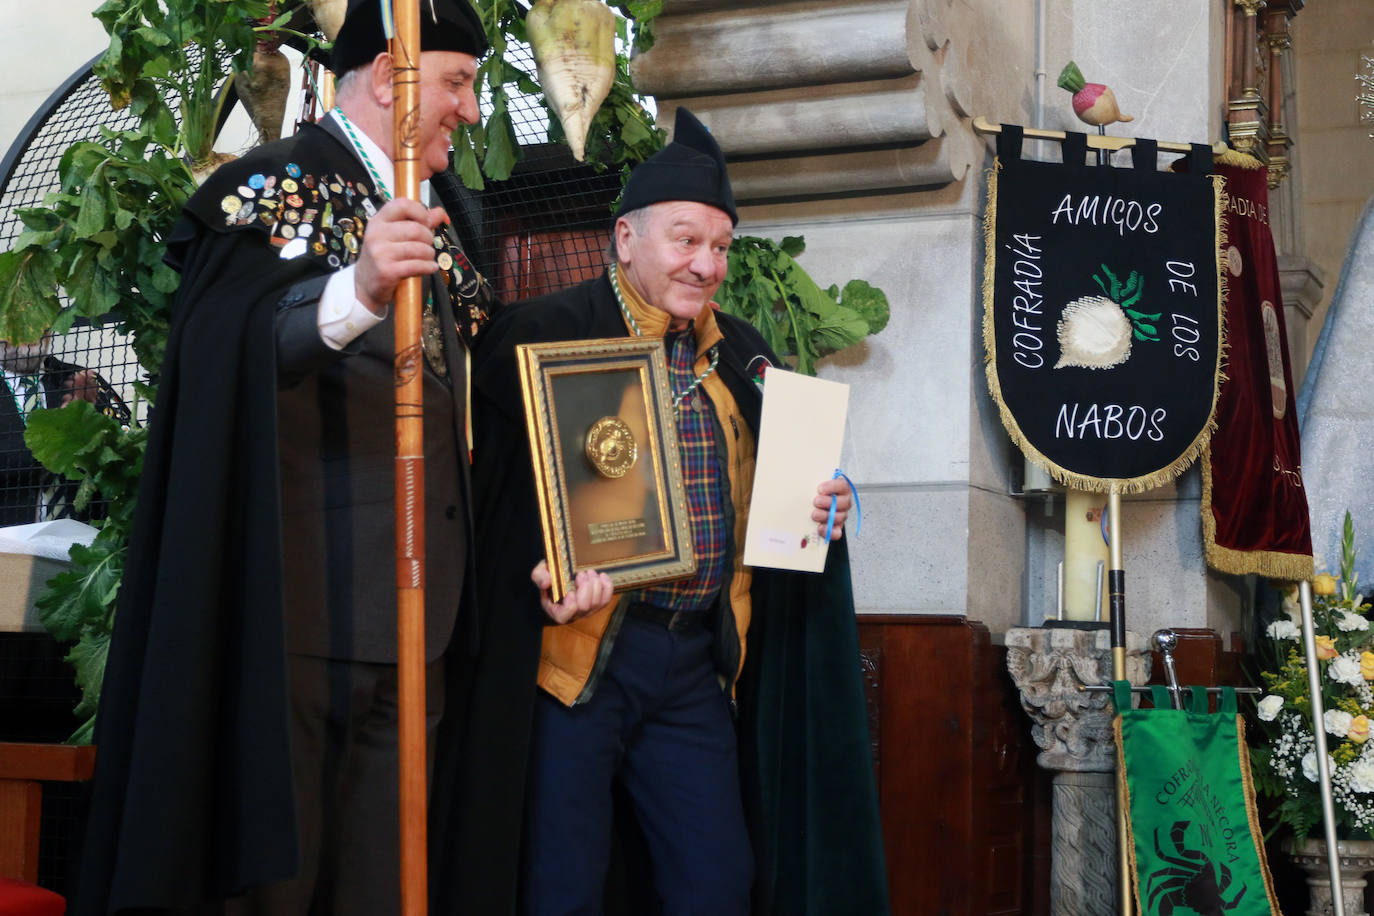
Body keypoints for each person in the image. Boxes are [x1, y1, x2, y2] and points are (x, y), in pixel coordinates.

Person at [75, 1, 508, 913]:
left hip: (424, 619)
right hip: (301, 621)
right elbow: (230, 349)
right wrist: (355, 289)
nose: (471, 110)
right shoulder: (273, 183)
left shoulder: (449, 218)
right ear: (392, 80)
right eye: (457, 84)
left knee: (385, 888)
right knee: (284, 885)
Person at [473, 108, 889, 916]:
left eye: (722, 247)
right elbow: (488, 504)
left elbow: (780, 485)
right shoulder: (541, 335)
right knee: (562, 885)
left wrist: (835, 502)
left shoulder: (743, 350)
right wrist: (536, 565)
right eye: (686, 240)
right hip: (575, 660)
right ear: (626, 239)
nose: (707, 265)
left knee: (716, 884)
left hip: (696, 662)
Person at [0, 331, 130, 526]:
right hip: (9, 549)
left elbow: (128, 454)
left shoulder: (80, 380)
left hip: (85, 542)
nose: (24, 329)